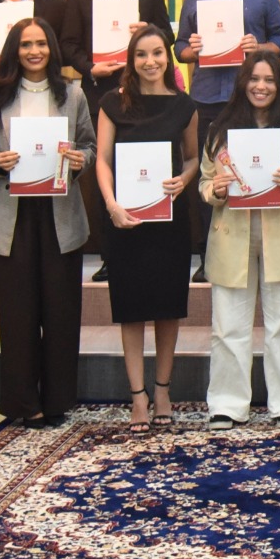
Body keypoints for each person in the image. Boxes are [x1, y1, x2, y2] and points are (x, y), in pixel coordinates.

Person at [0, 17, 95, 428]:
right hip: (16, 213)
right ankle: (24, 402)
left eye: (41, 43)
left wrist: (81, 160)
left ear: (52, 49)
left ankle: (59, 399)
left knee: (61, 311)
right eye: (25, 44)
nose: (34, 51)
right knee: (18, 312)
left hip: (60, 213)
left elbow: (89, 146)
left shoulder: (73, 93)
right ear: (14, 49)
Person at [199, 53, 280, 430]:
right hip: (232, 235)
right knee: (227, 326)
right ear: (242, 84)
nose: (261, 86)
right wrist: (215, 189)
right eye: (253, 79)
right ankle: (227, 405)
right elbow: (205, 182)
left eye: (269, 79)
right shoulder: (220, 130)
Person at [59, 0, 174, 282]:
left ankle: (151, 244)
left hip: (147, 98)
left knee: (143, 169)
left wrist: (149, 33)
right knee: (104, 173)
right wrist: (92, 68)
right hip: (98, 96)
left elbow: (168, 37)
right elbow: (68, 45)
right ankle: (110, 255)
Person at [96, 25, 199, 433]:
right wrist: (111, 205)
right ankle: (137, 396)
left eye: (158, 53)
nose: (151, 61)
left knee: (168, 308)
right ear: (131, 60)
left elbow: (192, 158)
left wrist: (185, 179)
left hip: (169, 220)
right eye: (142, 54)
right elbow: (103, 159)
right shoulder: (112, 103)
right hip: (126, 219)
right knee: (133, 309)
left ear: (167, 57)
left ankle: (162, 390)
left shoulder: (185, 106)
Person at [174, 0, 280, 283]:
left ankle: (263, 255)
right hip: (208, 100)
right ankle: (210, 257)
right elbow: (179, 48)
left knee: (257, 172)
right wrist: (192, 50)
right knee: (214, 179)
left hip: (254, 100)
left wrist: (258, 48)